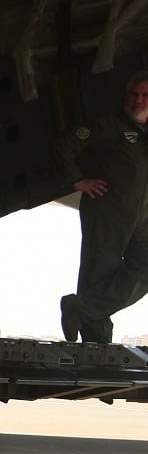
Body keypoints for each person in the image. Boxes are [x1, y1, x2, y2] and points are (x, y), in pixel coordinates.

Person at [55, 72, 148, 344]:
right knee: (99, 275)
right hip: (109, 213)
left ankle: (79, 308)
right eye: (134, 94)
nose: (139, 100)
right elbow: (64, 145)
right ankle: (96, 343)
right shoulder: (109, 126)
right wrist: (77, 180)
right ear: (125, 97)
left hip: (143, 217)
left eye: (145, 95)